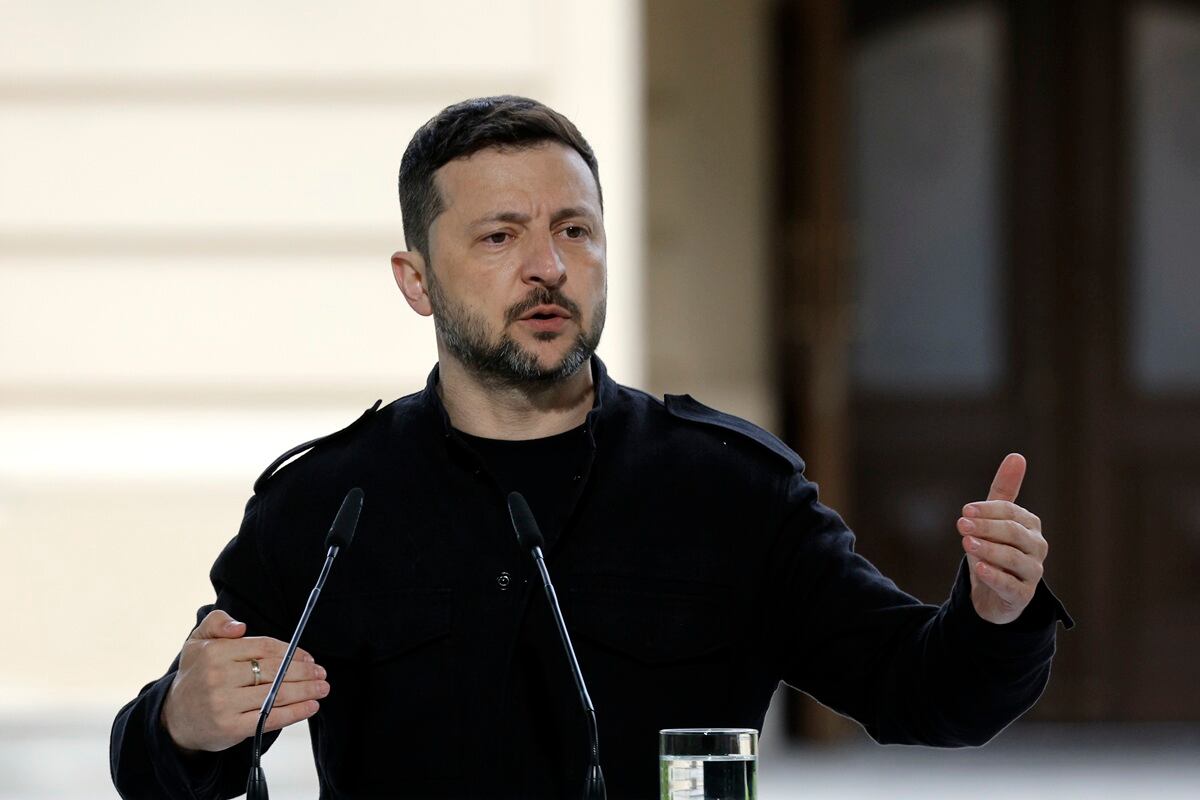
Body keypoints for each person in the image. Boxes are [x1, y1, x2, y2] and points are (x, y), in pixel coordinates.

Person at [110, 95, 1072, 800]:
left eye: (576, 229)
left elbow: (926, 695)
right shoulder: (329, 505)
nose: (548, 267)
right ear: (416, 280)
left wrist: (993, 615)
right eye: (499, 236)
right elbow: (172, 752)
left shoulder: (729, 488)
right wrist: (183, 727)